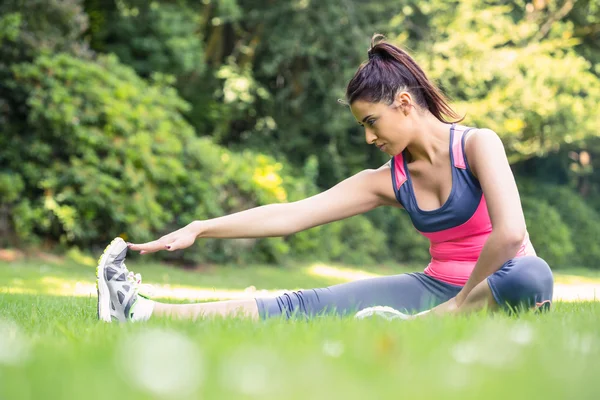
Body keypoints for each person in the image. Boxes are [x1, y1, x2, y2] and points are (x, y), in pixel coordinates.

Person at [96, 35, 554, 323]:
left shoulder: (477, 145)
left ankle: (438, 321)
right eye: (364, 127)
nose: (370, 137)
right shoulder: (389, 179)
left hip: (501, 284)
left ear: (404, 103)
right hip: (435, 286)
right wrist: (202, 227)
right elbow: (291, 215)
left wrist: (457, 305)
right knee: (306, 303)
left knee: (533, 273)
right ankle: (142, 312)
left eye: (373, 122)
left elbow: (511, 234)